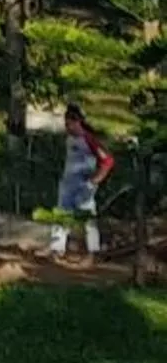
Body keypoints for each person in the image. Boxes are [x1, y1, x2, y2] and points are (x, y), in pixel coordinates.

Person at [52, 103, 115, 259]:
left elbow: (107, 161)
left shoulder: (89, 140)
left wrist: (94, 181)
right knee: (61, 215)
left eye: (69, 124)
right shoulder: (69, 139)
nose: (67, 127)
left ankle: (93, 251)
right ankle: (56, 249)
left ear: (76, 122)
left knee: (87, 217)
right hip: (68, 183)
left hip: (83, 185)